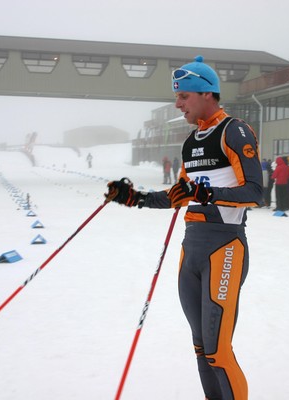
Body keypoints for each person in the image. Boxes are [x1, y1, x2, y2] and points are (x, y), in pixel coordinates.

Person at [105, 55, 262, 400]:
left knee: (219, 351)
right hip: (191, 251)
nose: (178, 104)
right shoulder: (191, 143)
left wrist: (207, 193)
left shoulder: (234, 131)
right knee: (201, 348)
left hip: (224, 248)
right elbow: (179, 196)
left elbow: (255, 192)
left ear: (207, 93)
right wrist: (133, 197)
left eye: (183, 97)